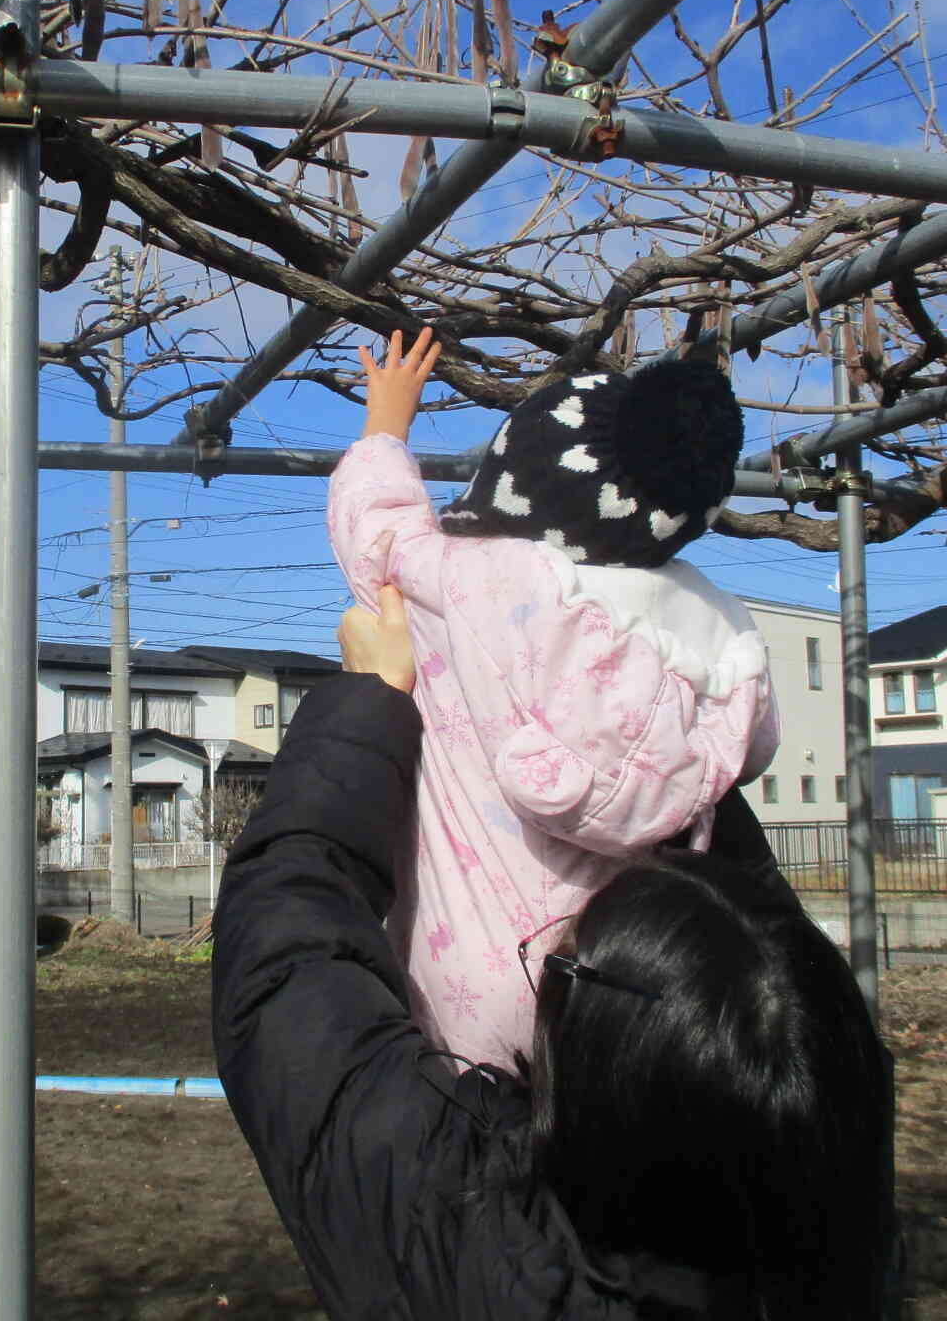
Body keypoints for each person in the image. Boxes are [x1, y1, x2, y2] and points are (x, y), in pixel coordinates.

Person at [213, 593, 889, 1319]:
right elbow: (769, 957)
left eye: (569, 964)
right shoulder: (842, 1214)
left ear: (601, 1069)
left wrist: (367, 703)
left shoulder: (468, 1229)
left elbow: (289, 961)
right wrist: (670, 758)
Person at [327, 326, 779, 1066]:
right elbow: (753, 749)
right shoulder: (722, 626)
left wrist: (385, 425)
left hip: (475, 989)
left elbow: (378, 533)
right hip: (633, 980)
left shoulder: (490, 585)